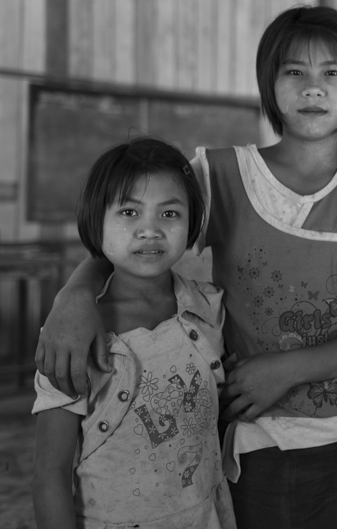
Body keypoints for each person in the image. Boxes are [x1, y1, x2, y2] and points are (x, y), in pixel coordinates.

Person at [34, 5, 337, 529]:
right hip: (248, 442)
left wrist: (289, 369)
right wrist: (73, 298)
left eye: (332, 72)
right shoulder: (219, 174)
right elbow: (134, 240)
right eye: (294, 71)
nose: (313, 87)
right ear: (269, 83)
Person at [32, 137, 236, 529]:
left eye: (170, 213)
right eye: (129, 212)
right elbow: (50, 477)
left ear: (192, 222)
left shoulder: (207, 310)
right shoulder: (73, 338)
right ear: (96, 220)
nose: (150, 230)